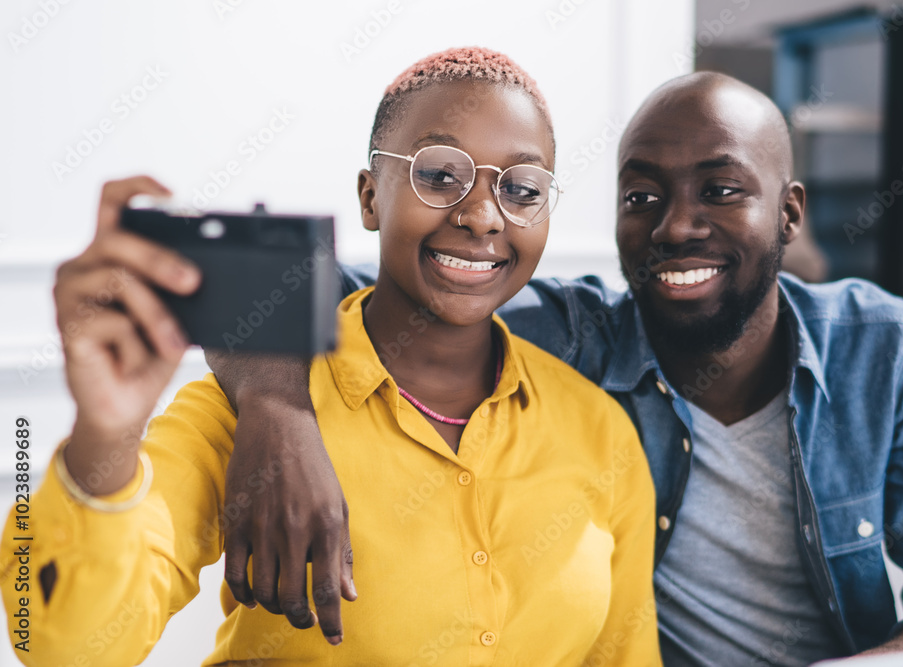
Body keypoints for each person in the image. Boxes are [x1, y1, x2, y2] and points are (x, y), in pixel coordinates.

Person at [210, 72, 903, 666]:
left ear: (788, 213)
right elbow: (254, 273)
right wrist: (278, 413)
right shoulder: (570, 338)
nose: (677, 224)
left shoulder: (885, 349)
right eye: (642, 196)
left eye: (721, 191)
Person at [0, 48, 660, 666]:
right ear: (371, 196)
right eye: (439, 174)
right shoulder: (241, 410)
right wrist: (105, 437)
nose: (484, 215)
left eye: (521, 189)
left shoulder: (599, 430)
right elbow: (61, 644)